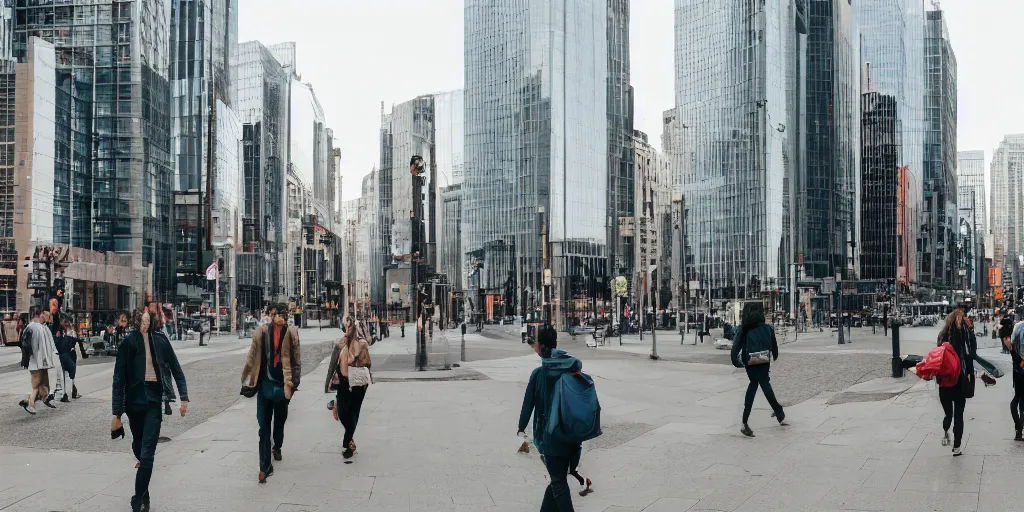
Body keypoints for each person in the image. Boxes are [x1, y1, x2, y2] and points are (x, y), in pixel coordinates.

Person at [111, 308, 189, 512]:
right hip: (134, 404)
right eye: (142, 320)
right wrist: (116, 412)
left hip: (154, 401)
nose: (145, 324)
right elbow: (118, 378)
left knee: (147, 455)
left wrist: (184, 397)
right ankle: (144, 492)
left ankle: (137, 499)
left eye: (148, 320)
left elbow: (176, 368)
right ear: (137, 322)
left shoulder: (161, 341)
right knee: (138, 446)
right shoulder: (128, 343)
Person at [518, 321, 585, 511]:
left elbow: (527, 404)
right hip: (573, 436)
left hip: (551, 438)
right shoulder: (572, 368)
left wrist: (521, 427)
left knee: (558, 483)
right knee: (558, 479)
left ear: (542, 347)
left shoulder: (539, 374)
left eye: (535, 344)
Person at [240, 303, 301, 483]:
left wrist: (293, 384)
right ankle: (264, 467)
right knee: (263, 427)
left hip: (283, 386)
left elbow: (296, 361)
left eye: (280, 314)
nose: (277, 317)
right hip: (264, 386)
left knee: (280, 420)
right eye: (274, 314)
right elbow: (252, 355)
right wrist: (245, 377)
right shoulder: (262, 332)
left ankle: (278, 446)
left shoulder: (291, 333)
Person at [731, 302, 785, 437]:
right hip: (764, 359)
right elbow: (774, 348)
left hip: (750, 361)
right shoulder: (768, 328)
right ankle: (778, 411)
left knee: (755, 384)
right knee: (762, 383)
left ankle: (745, 422)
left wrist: (736, 362)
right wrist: (774, 356)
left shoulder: (745, 328)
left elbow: (735, 349)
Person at [325, 316, 371, 459]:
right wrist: (327, 383)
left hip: (358, 384)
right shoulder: (340, 344)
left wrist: (355, 347)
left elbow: (366, 363)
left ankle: (347, 443)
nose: (348, 329)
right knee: (344, 414)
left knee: (354, 413)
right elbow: (333, 364)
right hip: (343, 383)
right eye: (347, 326)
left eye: (350, 327)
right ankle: (336, 406)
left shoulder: (362, 344)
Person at [937, 309, 975, 456]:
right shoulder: (964, 335)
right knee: (959, 414)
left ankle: (946, 428)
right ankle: (957, 446)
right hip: (960, 380)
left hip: (945, 381)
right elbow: (971, 354)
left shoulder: (942, 335)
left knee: (949, 414)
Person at [18, 308, 57, 415]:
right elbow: (31, 346)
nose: (45, 319)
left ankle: (30, 401)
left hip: (37, 362)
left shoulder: (32, 328)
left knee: (42, 385)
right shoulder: (36, 328)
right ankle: (30, 404)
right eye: (44, 316)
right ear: (39, 315)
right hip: (37, 362)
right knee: (37, 384)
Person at [1008, 321, 1024, 441]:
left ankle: (1018, 428)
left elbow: (1011, 349)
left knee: (1017, 398)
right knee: (1022, 401)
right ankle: (1019, 427)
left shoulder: (1013, 345)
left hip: (1016, 373)